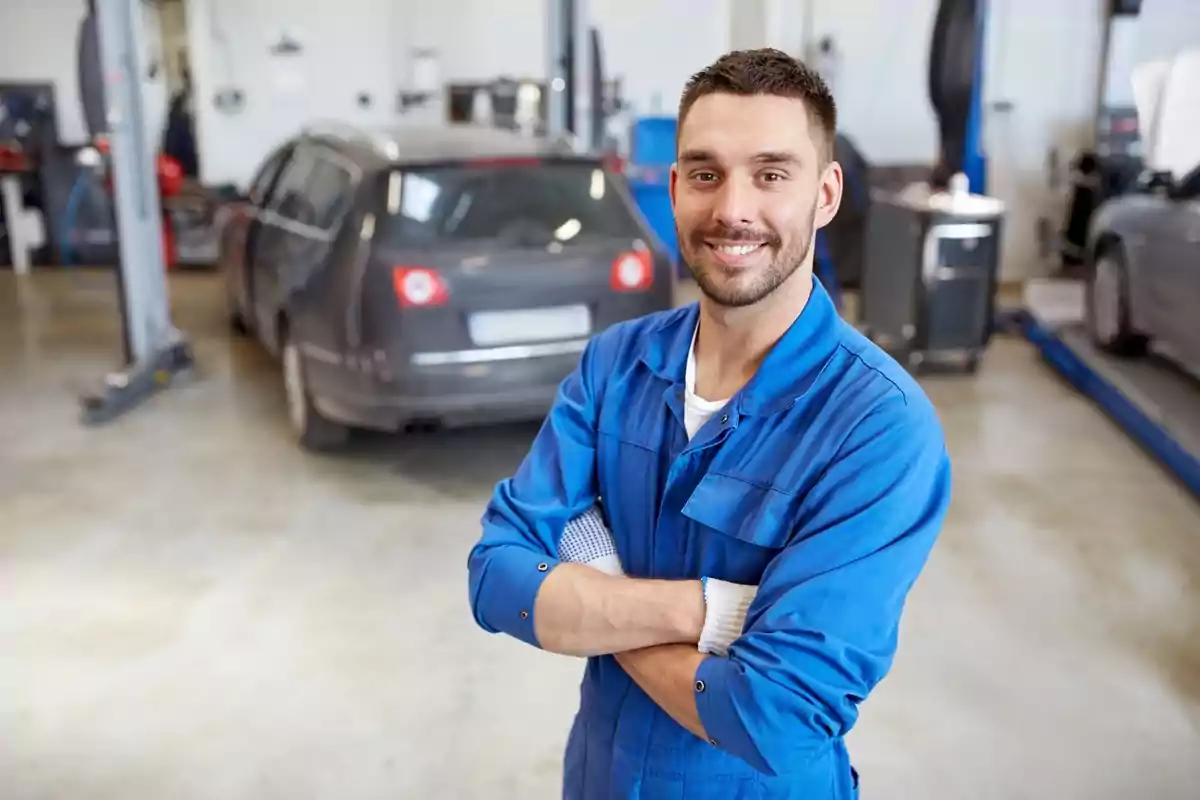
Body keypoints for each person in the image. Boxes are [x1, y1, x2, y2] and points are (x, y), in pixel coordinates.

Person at [467, 48, 952, 798]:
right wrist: (715, 612)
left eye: (770, 174)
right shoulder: (616, 365)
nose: (732, 209)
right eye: (705, 173)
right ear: (673, 188)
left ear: (825, 195)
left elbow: (773, 715)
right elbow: (497, 577)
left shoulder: (879, 428)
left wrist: (594, 578)